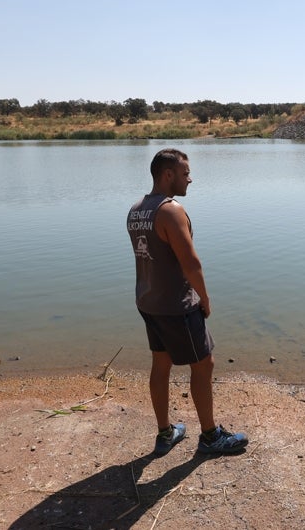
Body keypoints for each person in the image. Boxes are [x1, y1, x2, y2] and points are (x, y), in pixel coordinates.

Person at [127, 148, 248, 456]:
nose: (190, 179)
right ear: (168, 175)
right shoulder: (171, 210)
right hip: (175, 306)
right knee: (203, 364)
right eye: (185, 174)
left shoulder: (137, 208)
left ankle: (166, 433)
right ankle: (210, 437)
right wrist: (204, 299)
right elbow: (191, 264)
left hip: (149, 301)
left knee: (161, 363)